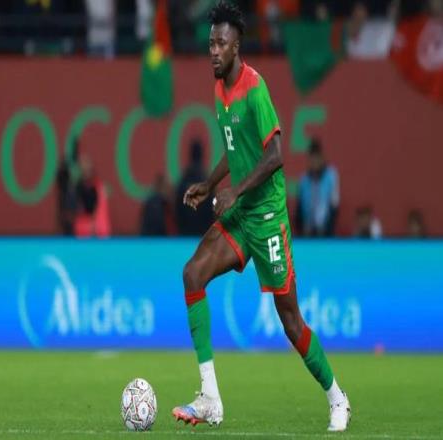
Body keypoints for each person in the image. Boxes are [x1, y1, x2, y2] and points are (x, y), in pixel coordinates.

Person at [172, 1, 350, 432]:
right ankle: (210, 398)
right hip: (241, 215)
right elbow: (236, 149)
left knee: (290, 321)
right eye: (211, 43)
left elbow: (274, 155)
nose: (213, 51)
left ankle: (337, 398)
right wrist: (211, 184)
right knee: (192, 274)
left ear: (237, 47)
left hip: (267, 217)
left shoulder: (255, 88)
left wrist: (234, 191)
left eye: (221, 43)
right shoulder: (219, 89)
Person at [295, 139, 340, 237]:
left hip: (325, 231)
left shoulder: (331, 176)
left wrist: (328, 228)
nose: (314, 162)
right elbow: (300, 207)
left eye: (316, 158)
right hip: (307, 232)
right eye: (311, 159)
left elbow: (334, 204)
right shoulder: (304, 180)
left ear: (321, 158)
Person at [175, 139, 214, 235]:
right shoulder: (207, 181)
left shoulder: (183, 180)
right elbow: (212, 209)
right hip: (203, 233)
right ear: (202, 155)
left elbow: (177, 209)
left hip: (185, 234)